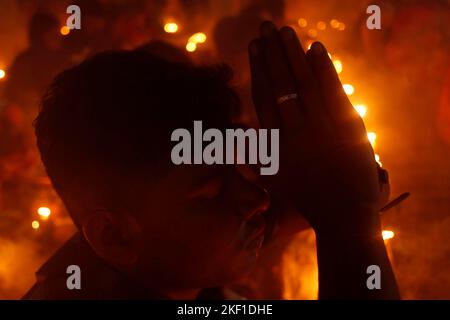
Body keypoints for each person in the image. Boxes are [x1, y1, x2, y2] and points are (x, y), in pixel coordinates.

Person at [24, 21, 399, 299]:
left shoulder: (136, 257)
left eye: (239, 171)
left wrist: (343, 196)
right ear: (113, 235)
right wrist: (349, 225)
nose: (258, 199)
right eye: (211, 193)